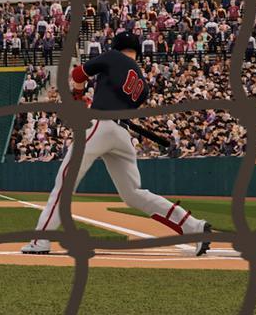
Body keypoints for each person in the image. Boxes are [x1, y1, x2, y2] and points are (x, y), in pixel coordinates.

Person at [24, 32, 213, 255]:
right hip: (121, 135)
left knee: (65, 184)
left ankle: (41, 240)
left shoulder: (113, 56)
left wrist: (77, 96)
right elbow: (114, 99)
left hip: (100, 126)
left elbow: (77, 74)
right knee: (133, 193)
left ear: (117, 45)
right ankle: (194, 226)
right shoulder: (142, 83)